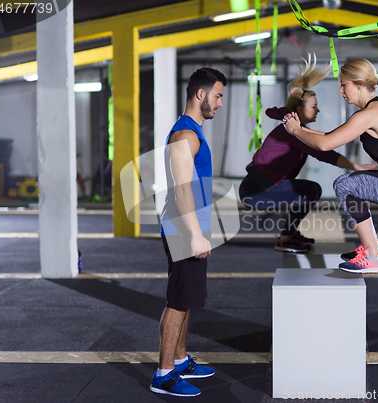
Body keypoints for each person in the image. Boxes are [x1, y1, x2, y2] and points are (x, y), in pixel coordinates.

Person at [283, 44, 378, 274]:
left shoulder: (372, 113)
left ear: (359, 85)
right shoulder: (369, 112)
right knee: (352, 183)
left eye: (343, 85)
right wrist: (297, 128)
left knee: (346, 185)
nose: (340, 91)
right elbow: (329, 136)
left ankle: (374, 255)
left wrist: (297, 132)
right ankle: (373, 249)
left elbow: (325, 144)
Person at [239, 56, 377, 253]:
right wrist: (355, 166)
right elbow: (323, 152)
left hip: (259, 187)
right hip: (255, 191)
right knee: (310, 191)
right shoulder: (292, 130)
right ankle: (287, 237)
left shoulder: (295, 127)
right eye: (314, 106)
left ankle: (289, 234)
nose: (318, 109)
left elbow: (323, 142)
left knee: (308, 190)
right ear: (299, 109)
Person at [150, 67, 227, 397]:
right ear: (201, 94)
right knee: (179, 300)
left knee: (187, 297)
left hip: (190, 224)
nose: (220, 103)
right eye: (218, 96)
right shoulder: (185, 135)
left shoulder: (192, 131)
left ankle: (179, 360)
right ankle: (164, 374)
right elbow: (182, 189)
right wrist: (196, 234)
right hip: (183, 226)